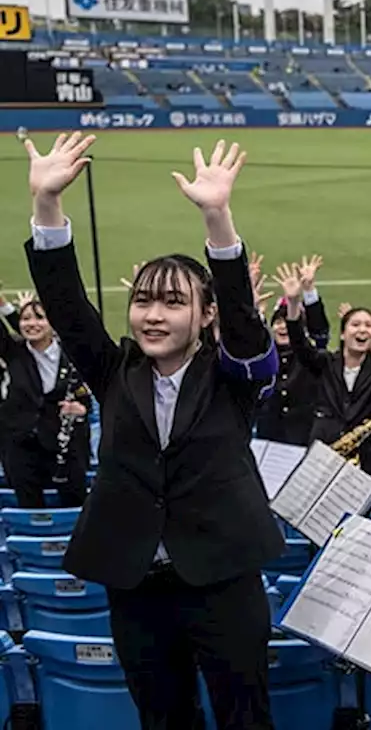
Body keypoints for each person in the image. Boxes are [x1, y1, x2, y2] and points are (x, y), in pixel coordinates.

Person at [24, 134, 282, 729]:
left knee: (246, 718)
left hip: (222, 580)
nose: (153, 315)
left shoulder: (232, 379)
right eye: (143, 302)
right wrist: (46, 206)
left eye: (172, 302)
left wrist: (217, 219)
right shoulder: (115, 371)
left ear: (205, 314)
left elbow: (244, 324)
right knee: (163, 719)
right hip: (137, 586)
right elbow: (66, 307)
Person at [274, 263, 371, 500]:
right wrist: (292, 304)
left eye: (368, 325)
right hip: (325, 455)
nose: (362, 329)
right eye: (355, 324)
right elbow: (300, 344)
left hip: (369, 460)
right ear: (343, 334)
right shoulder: (325, 363)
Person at [0, 293, 91, 508]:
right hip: (20, 447)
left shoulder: (72, 354)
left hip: (65, 448)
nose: (31, 324)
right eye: (25, 319)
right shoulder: (14, 351)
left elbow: (84, 396)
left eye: (40, 318)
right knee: (29, 505)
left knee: (75, 503)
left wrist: (81, 409)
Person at [255, 255, 330, 445]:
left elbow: (319, 333)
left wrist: (308, 291)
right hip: (269, 435)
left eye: (285, 323)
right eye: (277, 323)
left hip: (305, 434)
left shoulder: (308, 356)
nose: (282, 328)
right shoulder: (265, 354)